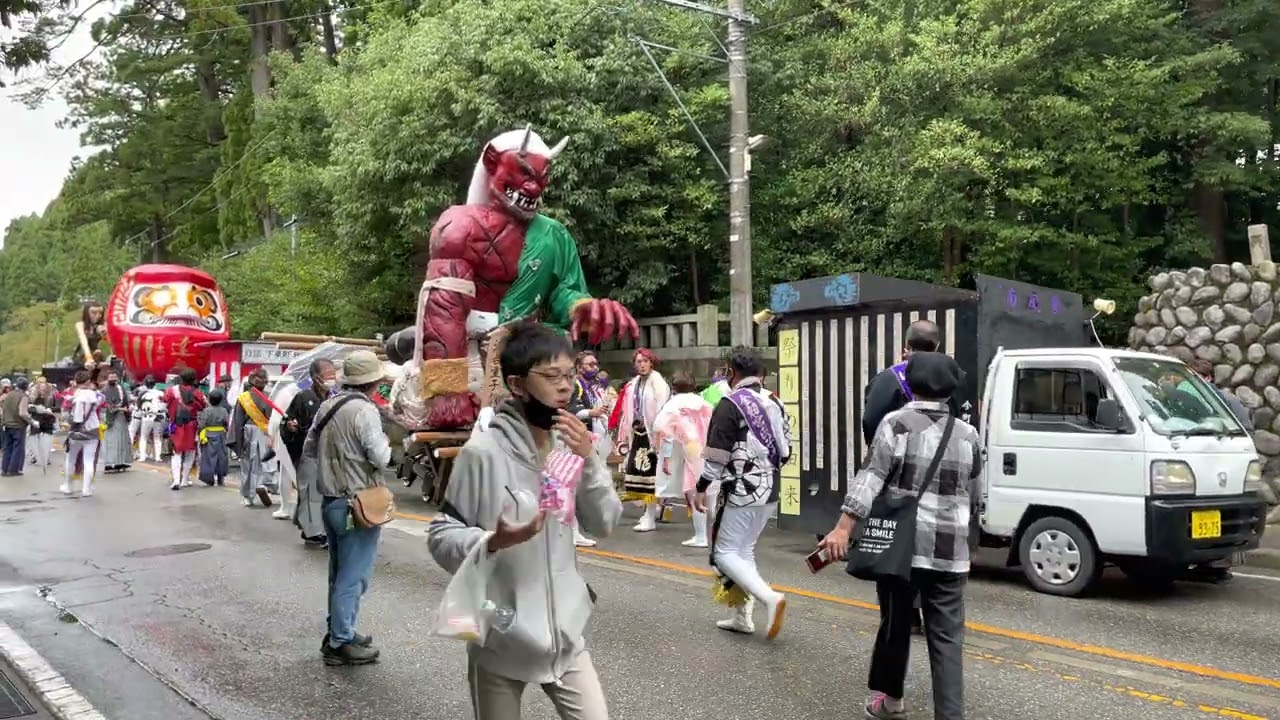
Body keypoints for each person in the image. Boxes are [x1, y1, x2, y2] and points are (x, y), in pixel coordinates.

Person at [427, 321, 622, 719]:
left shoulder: (571, 445)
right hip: (501, 638)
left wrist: (589, 460)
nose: (566, 386)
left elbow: (603, 523)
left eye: (569, 375)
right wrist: (491, 542)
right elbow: (441, 535)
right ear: (517, 384)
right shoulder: (482, 453)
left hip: (566, 637)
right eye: (551, 376)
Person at [819, 352, 982, 720]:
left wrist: (844, 526)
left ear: (911, 381)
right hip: (950, 551)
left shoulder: (897, 423)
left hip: (902, 550)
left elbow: (871, 477)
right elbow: (975, 494)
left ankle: (891, 703)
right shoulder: (967, 433)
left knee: (896, 624)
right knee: (947, 639)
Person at [859, 319, 961, 634]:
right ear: (938, 347)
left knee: (897, 540)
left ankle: (902, 613)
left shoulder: (887, 380)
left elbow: (870, 425)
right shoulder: (952, 378)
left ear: (906, 347)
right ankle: (929, 610)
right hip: (943, 478)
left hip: (896, 479)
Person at [298, 350, 391, 666]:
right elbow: (381, 457)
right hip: (357, 503)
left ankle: (341, 631)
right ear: (374, 382)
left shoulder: (327, 406)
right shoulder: (365, 412)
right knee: (354, 576)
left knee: (339, 573)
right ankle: (340, 642)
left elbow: (309, 448)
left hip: (331, 501)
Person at [693, 346, 791, 638]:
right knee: (743, 550)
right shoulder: (775, 402)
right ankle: (742, 615)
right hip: (771, 485)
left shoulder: (730, 403)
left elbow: (717, 455)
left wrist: (701, 487)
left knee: (724, 553)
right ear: (760, 374)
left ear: (731, 372)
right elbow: (787, 448)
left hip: (741, 488)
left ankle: (769, 598)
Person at [652, 369, 713, 547]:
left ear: (674, 387)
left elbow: (659, 426)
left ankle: (701, 536)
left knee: (693, 492)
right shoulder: (703, 402)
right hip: (707, 448)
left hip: (689, 449)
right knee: (710, 492)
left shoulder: (673, 404)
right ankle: (714, 534)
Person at [612, 348, 671, 532]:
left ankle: (651, 514)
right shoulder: (634, 383)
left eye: (645, 361)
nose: (642, 365)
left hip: (652, 434)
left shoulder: (658, 382)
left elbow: (663, 409)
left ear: (651, 362)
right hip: (637, 433)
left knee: (651, 476)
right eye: (638, 362)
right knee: (640, 475)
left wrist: (658, 433)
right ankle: (648, 513)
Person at [283, 358, 337, 547]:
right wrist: (290, 427)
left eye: (333, 373)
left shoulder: (334, 398)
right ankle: (312, 532)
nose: (332, 377)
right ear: (315, 378)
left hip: (329, 452)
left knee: (324, 493)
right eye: (327, 374)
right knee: (311, 491)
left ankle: (314, 527)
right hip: (308, 451)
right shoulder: (303, 397)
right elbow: (288, 421)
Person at [567, 351, 613, 548]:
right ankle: (573, 531)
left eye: (595, 364)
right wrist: (592, 412)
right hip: (575, 440)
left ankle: (578, 528)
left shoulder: (594, 387)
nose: (594, 367)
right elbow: (571, 410)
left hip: (591, 440)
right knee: (572, 486)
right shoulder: (575, 385)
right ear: (578, 367)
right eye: (589, 364)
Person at [229, 368, 280, 507]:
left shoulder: (244, 398)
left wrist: (236, 442)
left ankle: (247, 496)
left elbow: (238, 421)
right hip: (268, 432)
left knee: (248, 465)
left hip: (249, 433)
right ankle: (264, 484)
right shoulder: (272, 396)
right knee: (269, 463)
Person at [164, 368, 207, 491]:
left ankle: (176, 480)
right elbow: (204, 406)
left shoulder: (172, 390)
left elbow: (164, 402)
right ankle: (184, 480)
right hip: (192, 425)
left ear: (181, 379)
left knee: (176, 453)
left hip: (175, 425)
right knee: (190, 452)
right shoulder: (198, 393)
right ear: (194, 379)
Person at [62, 370, 102, 496]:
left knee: (70, 459)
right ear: (89, 381)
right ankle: (86, 489)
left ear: (76, 381)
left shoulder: (73, 396)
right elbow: (102, 400)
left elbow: (66, 413)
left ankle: (68, 486)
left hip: (76, 430)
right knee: (89, 461)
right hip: (92, 429)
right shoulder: (94, 395)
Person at [99, 370, 133, 474]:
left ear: (117, 378)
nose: (113, 378)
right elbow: (105, 405)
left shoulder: (121, 387)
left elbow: (126, 400)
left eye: (114, 377)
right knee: (111, 441)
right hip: (110, 418)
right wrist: (120, 409)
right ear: (107, 378)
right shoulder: (105, 390)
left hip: (121, 417)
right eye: (111, 377)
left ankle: (122, 462)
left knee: (122, 439)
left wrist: (128, 408)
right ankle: (110, 463)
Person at [1, 377, 34, 476]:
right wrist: (32, 421)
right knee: (17, 448)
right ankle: (13, 469)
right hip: (18, 425)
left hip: (6, 425)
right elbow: (22, 413)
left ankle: (4, 469)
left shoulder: (8, 395)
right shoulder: (23, 396)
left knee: (7, 448)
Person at [198, 389, 231, 486]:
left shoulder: (206, 411)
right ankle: (221, 478)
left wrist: (200, 432)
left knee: (208, 457)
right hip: (221, 435)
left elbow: (202, 424)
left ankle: (209, 478)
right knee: (221, 457)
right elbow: (227, 423)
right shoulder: (224, 410)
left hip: (208, 436)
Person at [27, 378, 58, 472]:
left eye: (44, 386)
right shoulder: (32, 396)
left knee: (46, 440)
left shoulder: (51, 397)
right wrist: (37, 409)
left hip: (47, 420)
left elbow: (54, 407)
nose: (43, 389)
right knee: (34, 439)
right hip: (36, 420)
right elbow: (28, 408)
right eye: (41, 386)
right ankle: (34, 456)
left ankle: (46, 457)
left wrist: (50, 410)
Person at [134, 377, 166, 462]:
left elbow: (138, 405)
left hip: (146, 416)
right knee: (157, 437)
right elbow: (164, 404)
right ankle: (158, 457)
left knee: (143, 437)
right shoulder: (160, 393)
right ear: (154, 384)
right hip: (157, 416)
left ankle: (142, 456)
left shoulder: (142, 393)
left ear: (145, 384)